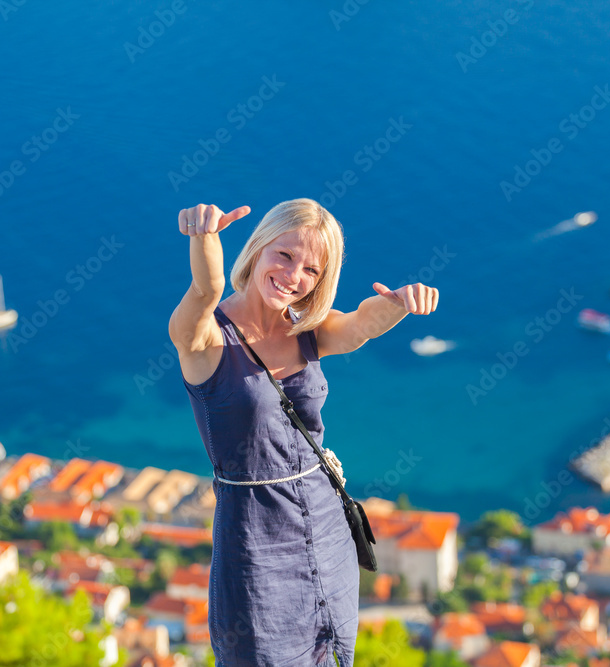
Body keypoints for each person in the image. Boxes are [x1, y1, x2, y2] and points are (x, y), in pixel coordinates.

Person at [169, 198, 438, 666]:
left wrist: (399, 303)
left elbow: (358, 326)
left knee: (331, 654)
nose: (295, 276)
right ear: (257, 248)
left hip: (327, 521)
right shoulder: (207, 340)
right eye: (285, 256)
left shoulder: (307, 328)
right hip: (256, 537)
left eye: (312, 270)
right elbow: (204, 290)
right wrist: (204, 240)